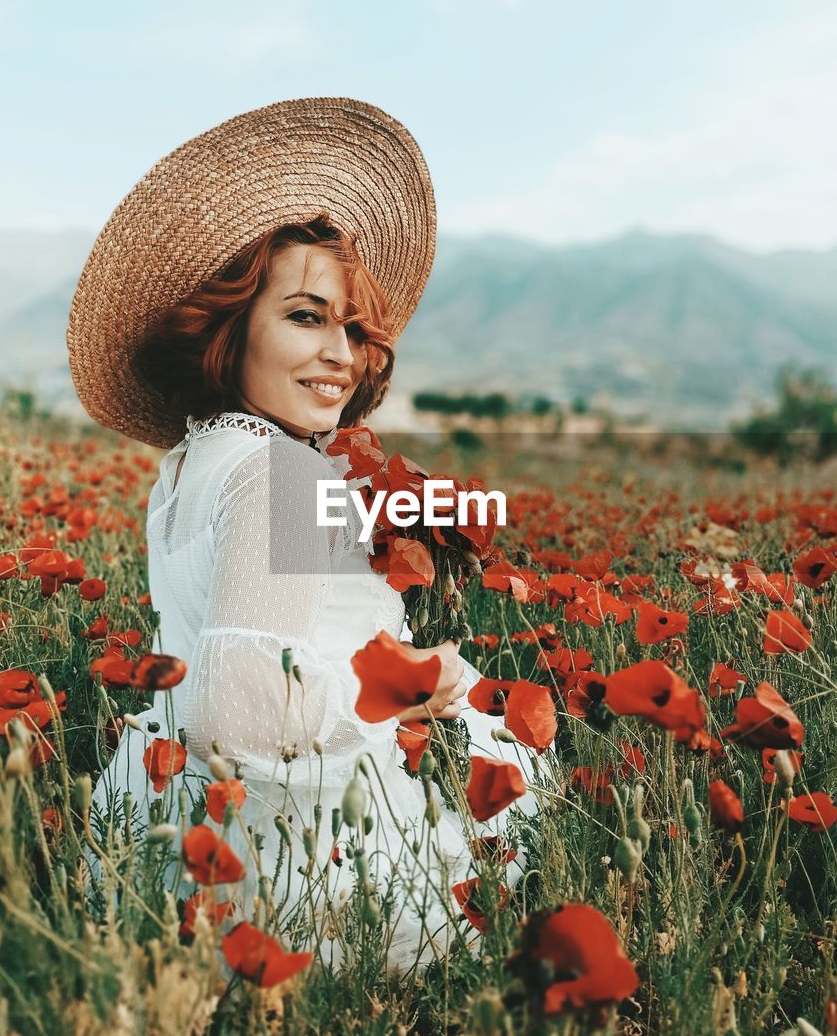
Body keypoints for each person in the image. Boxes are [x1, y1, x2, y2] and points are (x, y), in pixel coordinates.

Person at [67, 97, 544, 976]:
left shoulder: (186, 467)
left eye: (351, 327)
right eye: (302, 316)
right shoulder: (281, 473)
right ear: (227, 325)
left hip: (189, 833)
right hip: (302, 864)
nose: (341, 354)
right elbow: (236, 703)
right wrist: (411, 687)